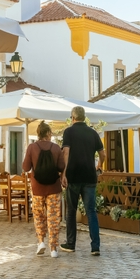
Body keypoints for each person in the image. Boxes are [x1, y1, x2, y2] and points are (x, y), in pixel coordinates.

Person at [61, 106, 105, 255]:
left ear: (72, 118)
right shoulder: (93, 133)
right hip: (89, 176)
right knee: (91, 211)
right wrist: (100, 165)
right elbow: (102, 153)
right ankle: (95, 247)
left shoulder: (68, 132)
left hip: (73, 176)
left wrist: (64, 173)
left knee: (71, 211)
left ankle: (71, 244)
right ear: (84, 117)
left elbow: (65, 152)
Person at [22, 121, 66, 257]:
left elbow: (25, 167)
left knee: (39, 216)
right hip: (53, 187)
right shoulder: (56, 147)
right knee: (53, 218)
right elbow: (61, 166)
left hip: (37, 188)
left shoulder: (32, 147)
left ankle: (41, 242)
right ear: (48, 133)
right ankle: (53, 249)